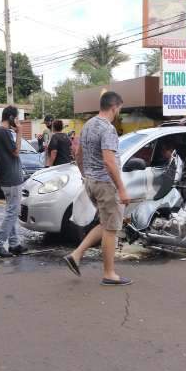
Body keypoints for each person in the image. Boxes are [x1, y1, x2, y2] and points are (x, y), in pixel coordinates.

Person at [63, 91, 132, 286]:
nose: (119, 112)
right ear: (114, 107)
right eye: (119, 109)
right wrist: (122, 189)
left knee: (104, 223)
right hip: (106, 185)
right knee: (111, 229)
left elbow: (78, 154)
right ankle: (109, 274)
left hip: (92, 182)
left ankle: (76, 255)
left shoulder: (88, 125)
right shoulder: (107, 129)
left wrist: (85, 175)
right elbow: (109, 162)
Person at [0, 106, 28, 258]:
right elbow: (16, 151)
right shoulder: (3, 132)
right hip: (11, 178)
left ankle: (14, 244)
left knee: (11, 211)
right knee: (13, 212)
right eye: (17, 118)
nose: (18, 121)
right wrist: (19, 132)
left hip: (8, 177)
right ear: (11, 118)